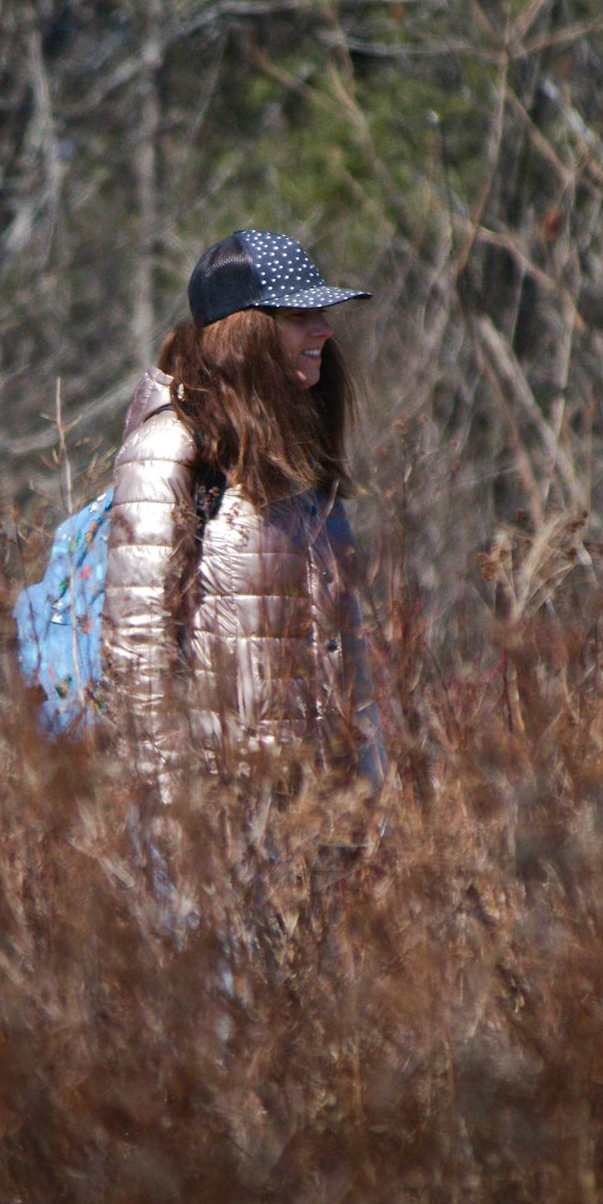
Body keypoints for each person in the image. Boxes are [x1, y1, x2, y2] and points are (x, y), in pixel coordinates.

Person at [101, 228, 385, 787]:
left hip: (316, 810)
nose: (324, 329)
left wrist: (366, 790)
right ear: (246, 332)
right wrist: (179, 818)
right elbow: (137, 652)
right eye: (299, 316)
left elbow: (345, 647)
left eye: (323, 313)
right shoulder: (170, 448)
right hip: (224, 812)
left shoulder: (303, 459)